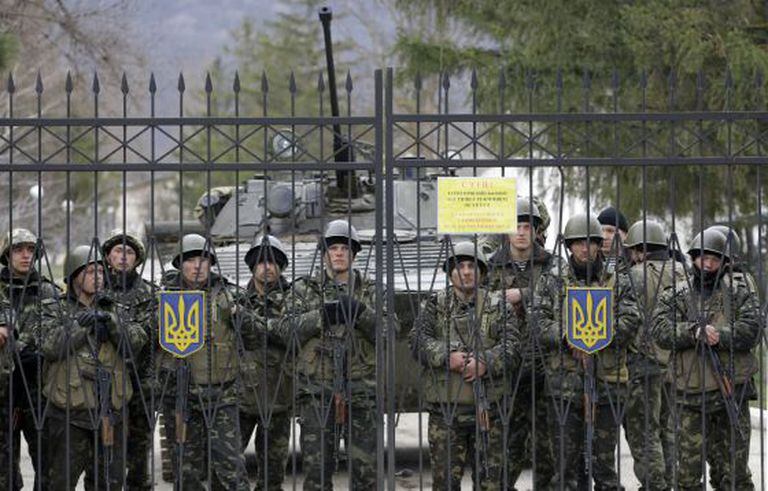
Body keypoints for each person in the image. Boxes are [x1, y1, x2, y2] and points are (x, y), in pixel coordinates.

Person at [272, 219, 397, 490]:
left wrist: (361, 312)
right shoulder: (304, 289)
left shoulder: (371, 289)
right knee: (317, 472)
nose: (339, 253)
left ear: (354, 254)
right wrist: (321, 316)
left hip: (362, 387)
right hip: (317, 390)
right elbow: (284, 330)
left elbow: (390, 331)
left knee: (366, 473)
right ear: (324, 253)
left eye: (345, 248)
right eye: (333, 248)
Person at [536, 213, 640, 491]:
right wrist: (567, 336)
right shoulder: (552, 280)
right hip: (564, 385)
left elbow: (631, 319)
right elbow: (538, 321)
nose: (585, 248)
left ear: (598, 244)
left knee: (604, 467)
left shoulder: (617, 279)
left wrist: (596, 336)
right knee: (565, 469)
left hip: (607, 383)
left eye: (591, 242)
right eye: (578, 242)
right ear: (569, 246)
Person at [652, 228, 760, 490]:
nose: (708, 264)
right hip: (689, 397)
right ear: (693, 258)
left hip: (731, 394)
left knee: (734, 475)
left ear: (724, 262)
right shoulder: (676, 293)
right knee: (687, 477)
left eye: (714, 259)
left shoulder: (739, 291)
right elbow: (659, 329)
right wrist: (692, 332)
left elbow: (753, 328)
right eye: (703, 258)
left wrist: (719, 335)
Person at [411, 241, 519, 490]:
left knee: (490, 484)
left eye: (472, 266)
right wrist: (446, 355)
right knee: (445, 483)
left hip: (489, 410)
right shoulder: (435, 305)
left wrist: (485, 362)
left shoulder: (497, 305)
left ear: (481, 272)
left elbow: (513, 345)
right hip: (446, 413)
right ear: (451, 272)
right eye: (460, 266)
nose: (467, 272)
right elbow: (417, 341)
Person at [40, 244, 147, 490]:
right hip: (69, 415)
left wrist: (111, 324)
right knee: (61, 482)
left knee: (110, 482)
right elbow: (49, 346)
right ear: (73, 275)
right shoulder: (53, 308)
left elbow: (136, 343)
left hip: (111, 413)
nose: (97, 277)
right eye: (89, 272)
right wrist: (81, 325)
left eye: (100, 272)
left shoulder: (115, 308)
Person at [158, 233, 252, 490]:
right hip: (181, 398)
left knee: (231, 468)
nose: (197, 266)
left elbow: (256, 336)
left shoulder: (230, 295)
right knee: (186, 472)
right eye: (190, 261)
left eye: (202, 260)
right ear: (180, 265)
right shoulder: (164, 298)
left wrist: (241, 317)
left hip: (222, 396)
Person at [486, 198, 556, 488]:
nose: (521, 232)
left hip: (544, 366)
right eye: (516, 225)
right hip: (507, 369)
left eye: (528, 226)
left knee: (546, 448)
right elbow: (479, 304)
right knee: (506, 448)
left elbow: (562, 296)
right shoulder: (491, 266)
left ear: (536, 230)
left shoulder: (551, 264)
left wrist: (522, 294)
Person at [621, 219, 685, 489]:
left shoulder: (634, 276)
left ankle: (654, 484)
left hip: (643, 361)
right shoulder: (683, 272)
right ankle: (669, 480)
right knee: (668, 428)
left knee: (644, 431)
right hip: (677, 363)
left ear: (639, 250)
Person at [0, 228, 59, 490]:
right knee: (4, 473)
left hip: (39, 391)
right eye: (18, 249)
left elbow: (59, 333)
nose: (25, 255)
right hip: (4, 392)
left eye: (31, 250)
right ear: (7, 254)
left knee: (47, 467)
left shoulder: (49, 291)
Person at [101, 228, 156, 491]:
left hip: (139, 383)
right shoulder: (94, 287)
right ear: (108, 256)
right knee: (104, 454)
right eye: (118, 251)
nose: (124, 256)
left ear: (137, 259)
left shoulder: (150, 294)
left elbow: (144, 338)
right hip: (102, 384)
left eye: (130, 252)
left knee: (138, 456)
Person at [239, 235, 292, 491]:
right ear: (253, 267)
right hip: (240, 395)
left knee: (273, 475)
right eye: (261, 262)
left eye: (273, 262)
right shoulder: (237, 298)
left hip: (279, 395)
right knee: (225, 467)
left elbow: (291, 332)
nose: (267, 267)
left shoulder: (294, 299)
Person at [597, 206, 630, 274]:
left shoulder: (636, 261)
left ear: (625, 235)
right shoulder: (587, 262)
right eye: (600, 231)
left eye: (610, 231)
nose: (604, 237)